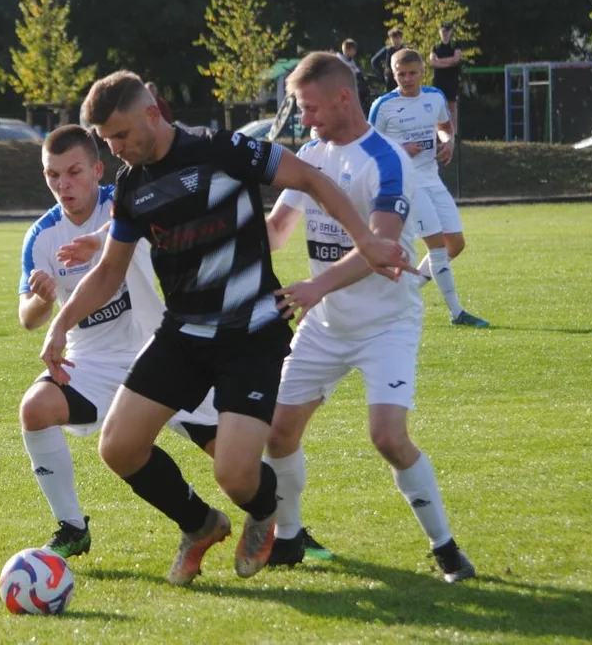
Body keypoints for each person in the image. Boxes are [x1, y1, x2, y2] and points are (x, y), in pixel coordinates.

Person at [39, 70, 412, 586]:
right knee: (118, 447)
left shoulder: (221, 148)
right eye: (108, 140)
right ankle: (200, 525)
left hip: (253, 332)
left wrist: (365, 241)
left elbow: (310, 178)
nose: (118, 148)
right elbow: (109, 271)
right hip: (184, 335)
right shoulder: (131, 186)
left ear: (153, 113)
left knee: (235, 474)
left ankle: (264, 512)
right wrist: (60, 326)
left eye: (122, 135)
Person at [263, 51, 476, 583]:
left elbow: (379, 246)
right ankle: (289, 540)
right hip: (326, 322)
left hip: (386, 323)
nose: (305, 119)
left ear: (342, 98)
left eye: (311, 107)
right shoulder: (310, 156)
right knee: (278, 434)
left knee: (387, 437)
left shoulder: (387, 160)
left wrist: (316, 286)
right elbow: (276, 231)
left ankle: (446, 547)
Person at [18, 124, 219, 558]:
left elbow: (143, 224)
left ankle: (288, 530)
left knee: (234, 459)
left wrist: (99, 241)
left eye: (73, 172)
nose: (63, 185)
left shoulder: (128, 199)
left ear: (97, 168)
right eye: (53, 175)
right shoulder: (42, 236)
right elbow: (28, 320)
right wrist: (40, 299)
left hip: (163, 349)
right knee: (35, 409)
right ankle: (72, 526)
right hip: (93, 363)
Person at [369, 48, 489, 327]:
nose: (407, 79)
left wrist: (448, 141)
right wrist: (400, 149)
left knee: (455, 244)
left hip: (432, 178)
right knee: (436, 246)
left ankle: (405, 290)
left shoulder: (434, 97)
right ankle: (457, 313)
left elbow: (445, 126)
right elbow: (368, 146)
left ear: (423, 72)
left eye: (412, 73)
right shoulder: (383, 105)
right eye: (401, 74)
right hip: (405, 184)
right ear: (392, 74)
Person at [431, 22, 463, 134]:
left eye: (447, 31)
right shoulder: (436, 46)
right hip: (439, 80)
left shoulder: (455, 45)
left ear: (450, 32)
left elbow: (456, 59)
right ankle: (440, 131)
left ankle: (454, 132)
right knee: (438, 105)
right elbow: (433, 62)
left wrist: (441, 61)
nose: (445, 33)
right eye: (443, 31)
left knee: (451, 106)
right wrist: (447, 63)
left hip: (452, 79)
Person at [338, 38, 372, 116]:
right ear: (347, 50)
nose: (354, 52)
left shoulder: (351, 60)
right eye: (352, 50)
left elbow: (357, 72)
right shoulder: (340, 61)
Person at [370, 27, 406, 92]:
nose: (395, 40)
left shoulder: (405, 50)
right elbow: (374, 61)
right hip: (391, 78)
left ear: (401, 38)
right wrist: (382, 71)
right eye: (393, 38)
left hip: (404, 77)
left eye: (397, 38)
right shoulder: (387, 50)